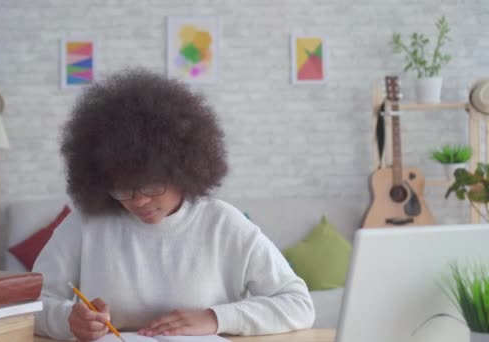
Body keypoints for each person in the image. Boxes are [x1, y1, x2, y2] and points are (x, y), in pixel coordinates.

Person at [33, 68, 315, 341]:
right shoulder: (86, 224)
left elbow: (298, 303)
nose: (140, 200)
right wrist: (67, 319)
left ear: (183, 171)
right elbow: (29, 306)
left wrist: (215, 318)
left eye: (153, 185)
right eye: (123, 189)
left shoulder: (223, 224)